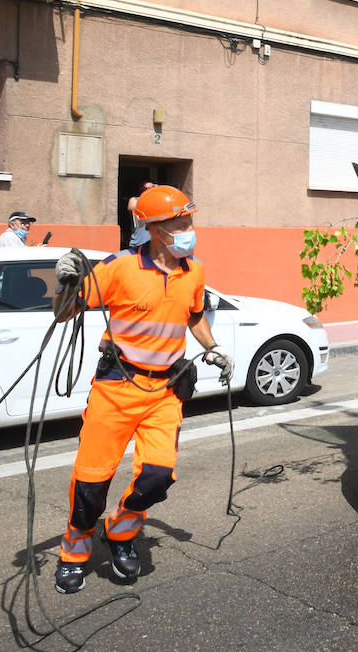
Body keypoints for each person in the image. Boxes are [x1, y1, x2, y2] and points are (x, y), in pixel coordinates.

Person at [50, 185, 233, 594]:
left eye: (190, 222)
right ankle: (73, 554)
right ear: (154, 230)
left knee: (157, 477)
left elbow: (195, 316)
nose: (189, 230)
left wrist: (214, 348)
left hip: (166, 391)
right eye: (180, 224)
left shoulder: (195, 271)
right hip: (116, 387)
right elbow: (64, 313)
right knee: (91, 484)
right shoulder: (119, 268)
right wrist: (64, 282)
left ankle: (118, 533)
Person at [126, 182, 157, 248]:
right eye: (146, 188)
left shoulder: (157, 201)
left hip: (153, 244)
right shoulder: (134, 200)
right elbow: (133, 208)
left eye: (151, 188)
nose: (148, 190)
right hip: (138, 242)